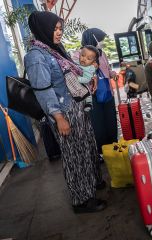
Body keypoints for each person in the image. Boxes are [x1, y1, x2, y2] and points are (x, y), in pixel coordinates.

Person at [24, 11, 106, 213]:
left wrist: (89, 78)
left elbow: (75, 71)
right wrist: (59, 118)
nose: (59, 32)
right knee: (74, 156)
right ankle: (82, 200)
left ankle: (92, 183)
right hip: (63, 112)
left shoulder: (54, 49)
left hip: (76, 107)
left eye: (60, 28)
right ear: (43, 29)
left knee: (86, 147)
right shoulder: (36, 57)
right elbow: (43, 90)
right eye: (55, 28)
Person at [73, 28, 118, 156]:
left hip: (107, 94)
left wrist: (113, 74)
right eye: (99, 40)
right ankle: (103, 153)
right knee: (98, 126)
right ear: (91, 39)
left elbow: (108, 71)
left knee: (111, 122)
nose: (100, 43)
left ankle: (114, 149)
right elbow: (77, 74)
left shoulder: (102, 54)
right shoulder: (78, 54)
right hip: (92, 96)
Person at [76, 45, 100, 112]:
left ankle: (89, 103)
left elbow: (87, 79)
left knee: (88, 95)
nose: (84, 59)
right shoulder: (76, 62)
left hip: (85, 85)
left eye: (89, 59)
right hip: (79, 87)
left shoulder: (90, 69)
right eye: (82, 55)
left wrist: (77, 79)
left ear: (93, 62)